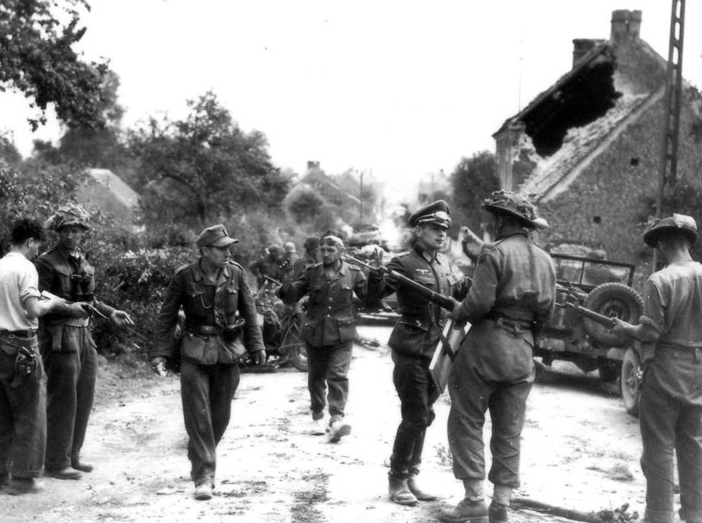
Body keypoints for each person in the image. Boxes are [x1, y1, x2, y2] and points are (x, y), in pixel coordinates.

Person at [611, 214, 702, 523]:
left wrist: (623, 327)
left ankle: (659, 521)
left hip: (666, 367)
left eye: (658, 244)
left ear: (664, 242)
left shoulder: (660, 281)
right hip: (701, 371)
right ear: (689, 242)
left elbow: (650, 331)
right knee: (695, 445)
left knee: (659, 444)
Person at [439, 190, 556, 523]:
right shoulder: (546, 261)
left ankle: (474, 500)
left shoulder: (494, 252)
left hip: (487, 346)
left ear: (504, 220)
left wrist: (459, 308)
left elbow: (477, 305)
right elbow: (546, 313)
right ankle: (501, 505)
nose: (490, 222)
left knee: (467, 419)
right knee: (509, 429)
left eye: (493, 216)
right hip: (523, 351)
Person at [150, 224, 265, 500]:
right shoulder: (185, 276)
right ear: (204, 250)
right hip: (193, 351)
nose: (228, 252)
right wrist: (160, 353)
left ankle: (198, 452)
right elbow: (166, 317)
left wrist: (257, 345)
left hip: (227, 351)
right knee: (198, 414)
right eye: (221, 248)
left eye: (229, 248)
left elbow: (249, 310)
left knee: (220, 416)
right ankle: (204, 477)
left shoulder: (235, 273)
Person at [367, 200, 470, 506]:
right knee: (415, 415)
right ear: (420, 229)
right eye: (435, 228)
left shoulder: (446, 265)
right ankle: (397, 479)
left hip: (439, 352)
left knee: (424, 415)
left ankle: (412, 475)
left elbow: (466, 290)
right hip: (411, 347)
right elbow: (375, 296)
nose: (441, 234)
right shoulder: (402, 264)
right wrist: (375, 275)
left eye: (444, 229)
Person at [34, 204, 134, 481]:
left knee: (84, 397)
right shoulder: (46, 262)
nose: (70, 235)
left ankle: (72, 455)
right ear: (59, 232)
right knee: (63, 398)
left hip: (84, 336)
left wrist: (111, 311)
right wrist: (69, 309)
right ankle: (55, 462)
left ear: (82, 232)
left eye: (76, 230)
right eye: (66, 230)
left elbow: (90, 301)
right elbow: (38, 301)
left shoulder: (83, 261)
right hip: (59, 337)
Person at [0, 218, 66, 495]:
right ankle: (23, 478)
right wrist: (52, 302)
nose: (36, 252)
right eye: (36, 247)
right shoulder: (26, 268)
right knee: (30, 411)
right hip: (21, 346)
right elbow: (32, 310)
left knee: (1, 412)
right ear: (30, 241)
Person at [278, 234, 372, 442]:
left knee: (338, 375)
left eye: (331, 250)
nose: (326, 253)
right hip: (315, 333)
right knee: (316, 376)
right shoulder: (312, 273)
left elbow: (369, 297)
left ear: (341, 252)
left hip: (342, 334)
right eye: (323, 250)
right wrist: (286, 281)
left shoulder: (354, 273)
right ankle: (318, 414)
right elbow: (292, 295)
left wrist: (376, 279)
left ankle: (336, 418)